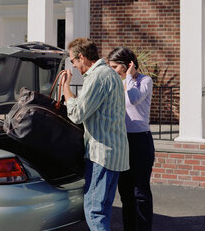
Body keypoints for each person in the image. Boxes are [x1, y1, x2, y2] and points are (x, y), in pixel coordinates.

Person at [62, 37, 129, 231]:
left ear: (81, 57)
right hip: (114, 152)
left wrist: (66, 87)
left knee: (94, 210)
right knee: (104, 209)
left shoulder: (98, 76)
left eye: (73, 61)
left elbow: (77, 114)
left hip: (101, 153)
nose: (73, 66)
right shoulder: (110, 74)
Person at [107, 47, 155, 231]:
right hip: (122, 140)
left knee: (140, 192)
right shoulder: (118, 83)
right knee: (125, 192)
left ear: (128, 65)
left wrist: (129, 76)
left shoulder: (145, 81)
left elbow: (134, 99)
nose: (112, 71)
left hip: (140, 142)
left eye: (114, 67)